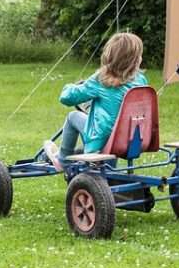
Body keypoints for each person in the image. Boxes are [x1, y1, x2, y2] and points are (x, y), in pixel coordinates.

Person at [43, 32, 149, 169]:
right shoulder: (140, 81)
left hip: (105, 139)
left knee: (72, 116)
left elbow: (67, 98)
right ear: (135, 60)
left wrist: (71, 86)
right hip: (132, 138)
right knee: (107, 124)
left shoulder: (101, 79)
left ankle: (62, 160)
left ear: (109, 56)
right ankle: (107, 169)